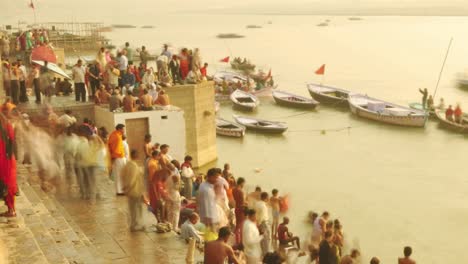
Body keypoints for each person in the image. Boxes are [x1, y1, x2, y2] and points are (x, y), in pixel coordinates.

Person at [121, 149, 145, 232]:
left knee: (132, 208)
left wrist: (124, 187)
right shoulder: (134, 166)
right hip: (135, 190)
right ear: (136, 156)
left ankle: (133, 225)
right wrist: (128, 188)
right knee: (137, 209)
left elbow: (122, 175)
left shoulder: (127, 164)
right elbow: (132, 180)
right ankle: (136, 225)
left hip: (130, 191)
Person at [0, 113, 17, 217]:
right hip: (9, 159)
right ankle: (11, 209)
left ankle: (11, 210)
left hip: (4, 161)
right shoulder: (8, 125)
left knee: (7, 185)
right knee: (9, 185)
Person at [197, 168, 222, 232]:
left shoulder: (203, 184)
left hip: (208, 215)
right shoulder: (207, 190)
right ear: (210, 177)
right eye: (216, 177)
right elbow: (208, 205)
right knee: (212, 233)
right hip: (210, 217)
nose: (217, 180)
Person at [108, 124, 126, 195]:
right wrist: (113, 157)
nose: (124, 130)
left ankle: (120, 190)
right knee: (119, 174)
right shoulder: (116, 136)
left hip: (119, 157)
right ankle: (120, 191)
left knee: (119, 174)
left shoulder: (116, 134)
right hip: (118, 157)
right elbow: (115, 149)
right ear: (119, 129)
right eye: (123, 129)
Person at [256, 192, 271, 257]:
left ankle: (264, 254)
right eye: (268, 197)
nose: (268, 198)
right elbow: (262, 217)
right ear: (265, 198)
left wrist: (258, 225)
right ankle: (266, 255)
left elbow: (257, 215)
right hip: (264, 223)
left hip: (260, 223)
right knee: (266, 241)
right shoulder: (263, 206)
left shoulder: (257, 203)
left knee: (262, 241)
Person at [233, 177, 246, 245]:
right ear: (241, 183)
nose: (244, 185)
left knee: (238, 225)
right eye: (244, 183)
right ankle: (239, 241)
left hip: (236, 208)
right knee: (240, 226)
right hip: (241, 209)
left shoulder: (234, 190)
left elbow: (237, 200)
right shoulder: (241, 191)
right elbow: (243, 203)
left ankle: (237, 240)